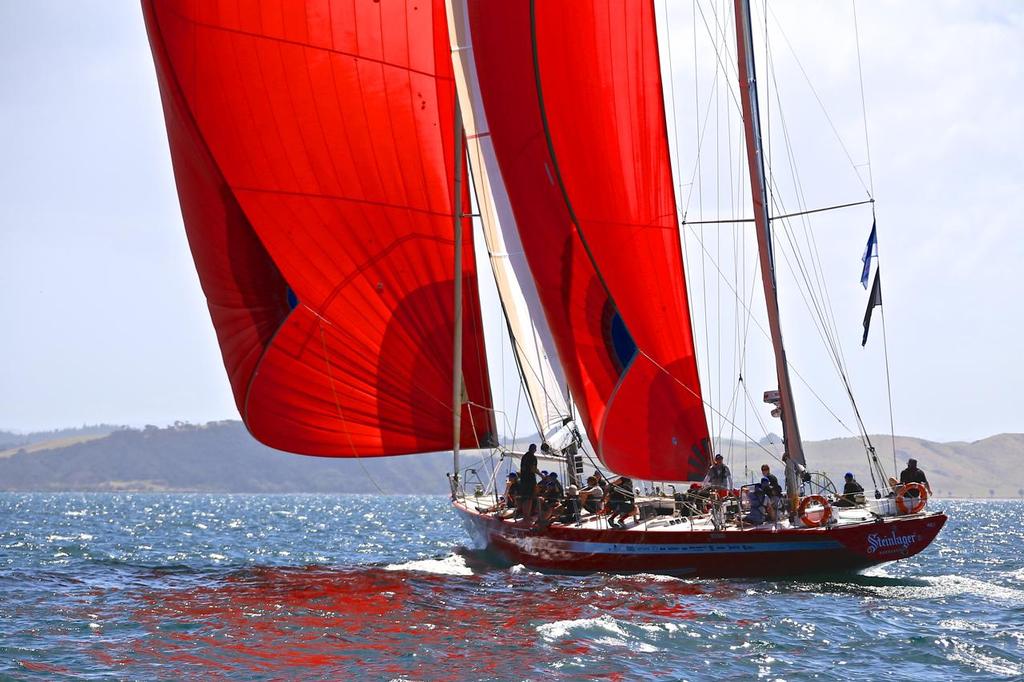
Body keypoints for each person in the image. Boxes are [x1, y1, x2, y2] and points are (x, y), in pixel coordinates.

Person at [518, 444, 539, 519]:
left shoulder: (524, 456)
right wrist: (541, 475)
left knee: (524, 497)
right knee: (530, 497)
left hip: (523, 480)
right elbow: (533, 469)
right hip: (530, 480)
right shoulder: (533, 458)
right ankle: (527, 515)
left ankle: (524, 514)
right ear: (534, 449)